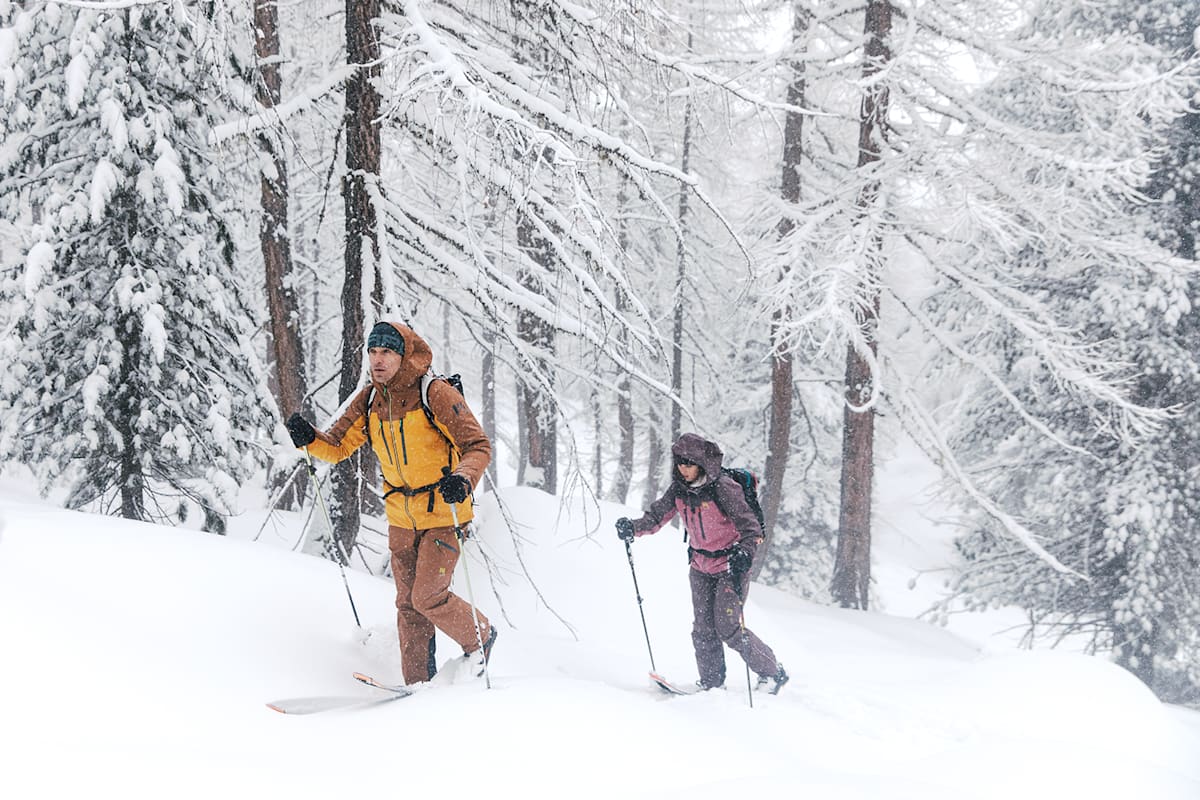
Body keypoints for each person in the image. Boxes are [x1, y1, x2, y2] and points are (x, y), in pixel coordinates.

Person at [285, 321, 496, 685]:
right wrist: (309, 439)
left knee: (428, 596)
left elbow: (477, 446)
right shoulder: (370, 399)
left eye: (387, 352)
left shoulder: (436, 394)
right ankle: (418, 685)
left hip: (444, 514)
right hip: (401, 518)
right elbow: (337, 446)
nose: (378, 360)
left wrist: (462, 478)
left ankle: (481, 638)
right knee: (407, 606)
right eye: (373, 352)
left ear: (405, 356)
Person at [616, 432, 788, 693]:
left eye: (689, 463)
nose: (683, 468)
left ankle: (773, 672)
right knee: (703, 629)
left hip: (730, 566)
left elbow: (751, 529)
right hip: (699, 567)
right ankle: (711, 684)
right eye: (680, 463)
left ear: (701, 464)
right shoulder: (679, 490)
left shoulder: (723, 488)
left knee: (729, 628)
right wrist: (633, 527)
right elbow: (656, 517)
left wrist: (744, 553)